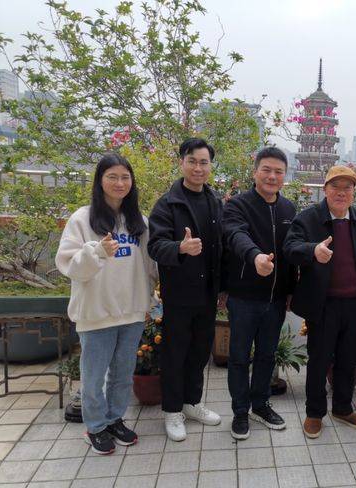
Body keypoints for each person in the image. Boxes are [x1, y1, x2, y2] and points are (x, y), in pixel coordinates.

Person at [55, 153, 156, 454]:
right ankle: (95, 427)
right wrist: (96, 252)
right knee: (94, 376)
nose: (119, 183)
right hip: (96, 313)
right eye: (112, 176)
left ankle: (114, 419)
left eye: (125, 177)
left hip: (131, 313)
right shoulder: (82, 219)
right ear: (100, 181)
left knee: (122, 374)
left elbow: (151, 267)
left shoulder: (140, 223)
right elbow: (69, 265)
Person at [283, 165, 356, 439]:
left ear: (353, 192)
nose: (341, 193)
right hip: (323, 304)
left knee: (348, 360)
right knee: (319, 360)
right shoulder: (309, 218)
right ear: (325, 190)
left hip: (354, 304)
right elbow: (289, 248)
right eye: (335, 187)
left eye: (347, 188)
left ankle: (342, 408)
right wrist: (312, 250)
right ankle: (314, 413)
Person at [148, 137, 223, 441]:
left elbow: (222, 246)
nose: (198, 168)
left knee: (200, 351)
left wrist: (224, 288)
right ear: (181, 163)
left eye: (204, 162)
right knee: (175, 353)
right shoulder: (168, 204)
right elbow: (155, 246)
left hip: (208, 293)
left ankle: (192, 403)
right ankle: (172, 411)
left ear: (210, 166)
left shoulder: (215, 201)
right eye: (192, 161)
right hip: (179, 294)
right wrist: (180, 247)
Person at [222, 147, 296, 440]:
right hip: (243, 297)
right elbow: (235, 236)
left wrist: (291, 291)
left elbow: (291, 254)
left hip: (275, 299)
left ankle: (260, 404)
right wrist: (255, 257)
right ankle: (240, 411)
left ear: (284, 176)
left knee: (267, 354)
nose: (272, 176)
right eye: (266, 170)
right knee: (239, 356)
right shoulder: (237, 206)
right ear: (255, 172)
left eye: (278, 171)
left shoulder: (289, 209)